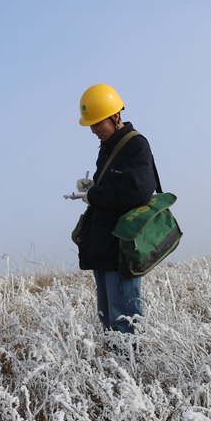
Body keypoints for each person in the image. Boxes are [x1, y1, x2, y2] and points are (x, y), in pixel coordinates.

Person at [69, 84, 157, 335]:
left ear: (115, 116)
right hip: (103, 248)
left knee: (124, 322)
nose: (94, 130)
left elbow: (136, 191)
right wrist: (93, 187)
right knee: (108, 320)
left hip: (121, 250)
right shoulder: (106, 149)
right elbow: (115, 189)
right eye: (91, 124)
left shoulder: (136, 145)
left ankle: (131, 372)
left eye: (98, 123)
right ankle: (118, 372)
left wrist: (93, 195)